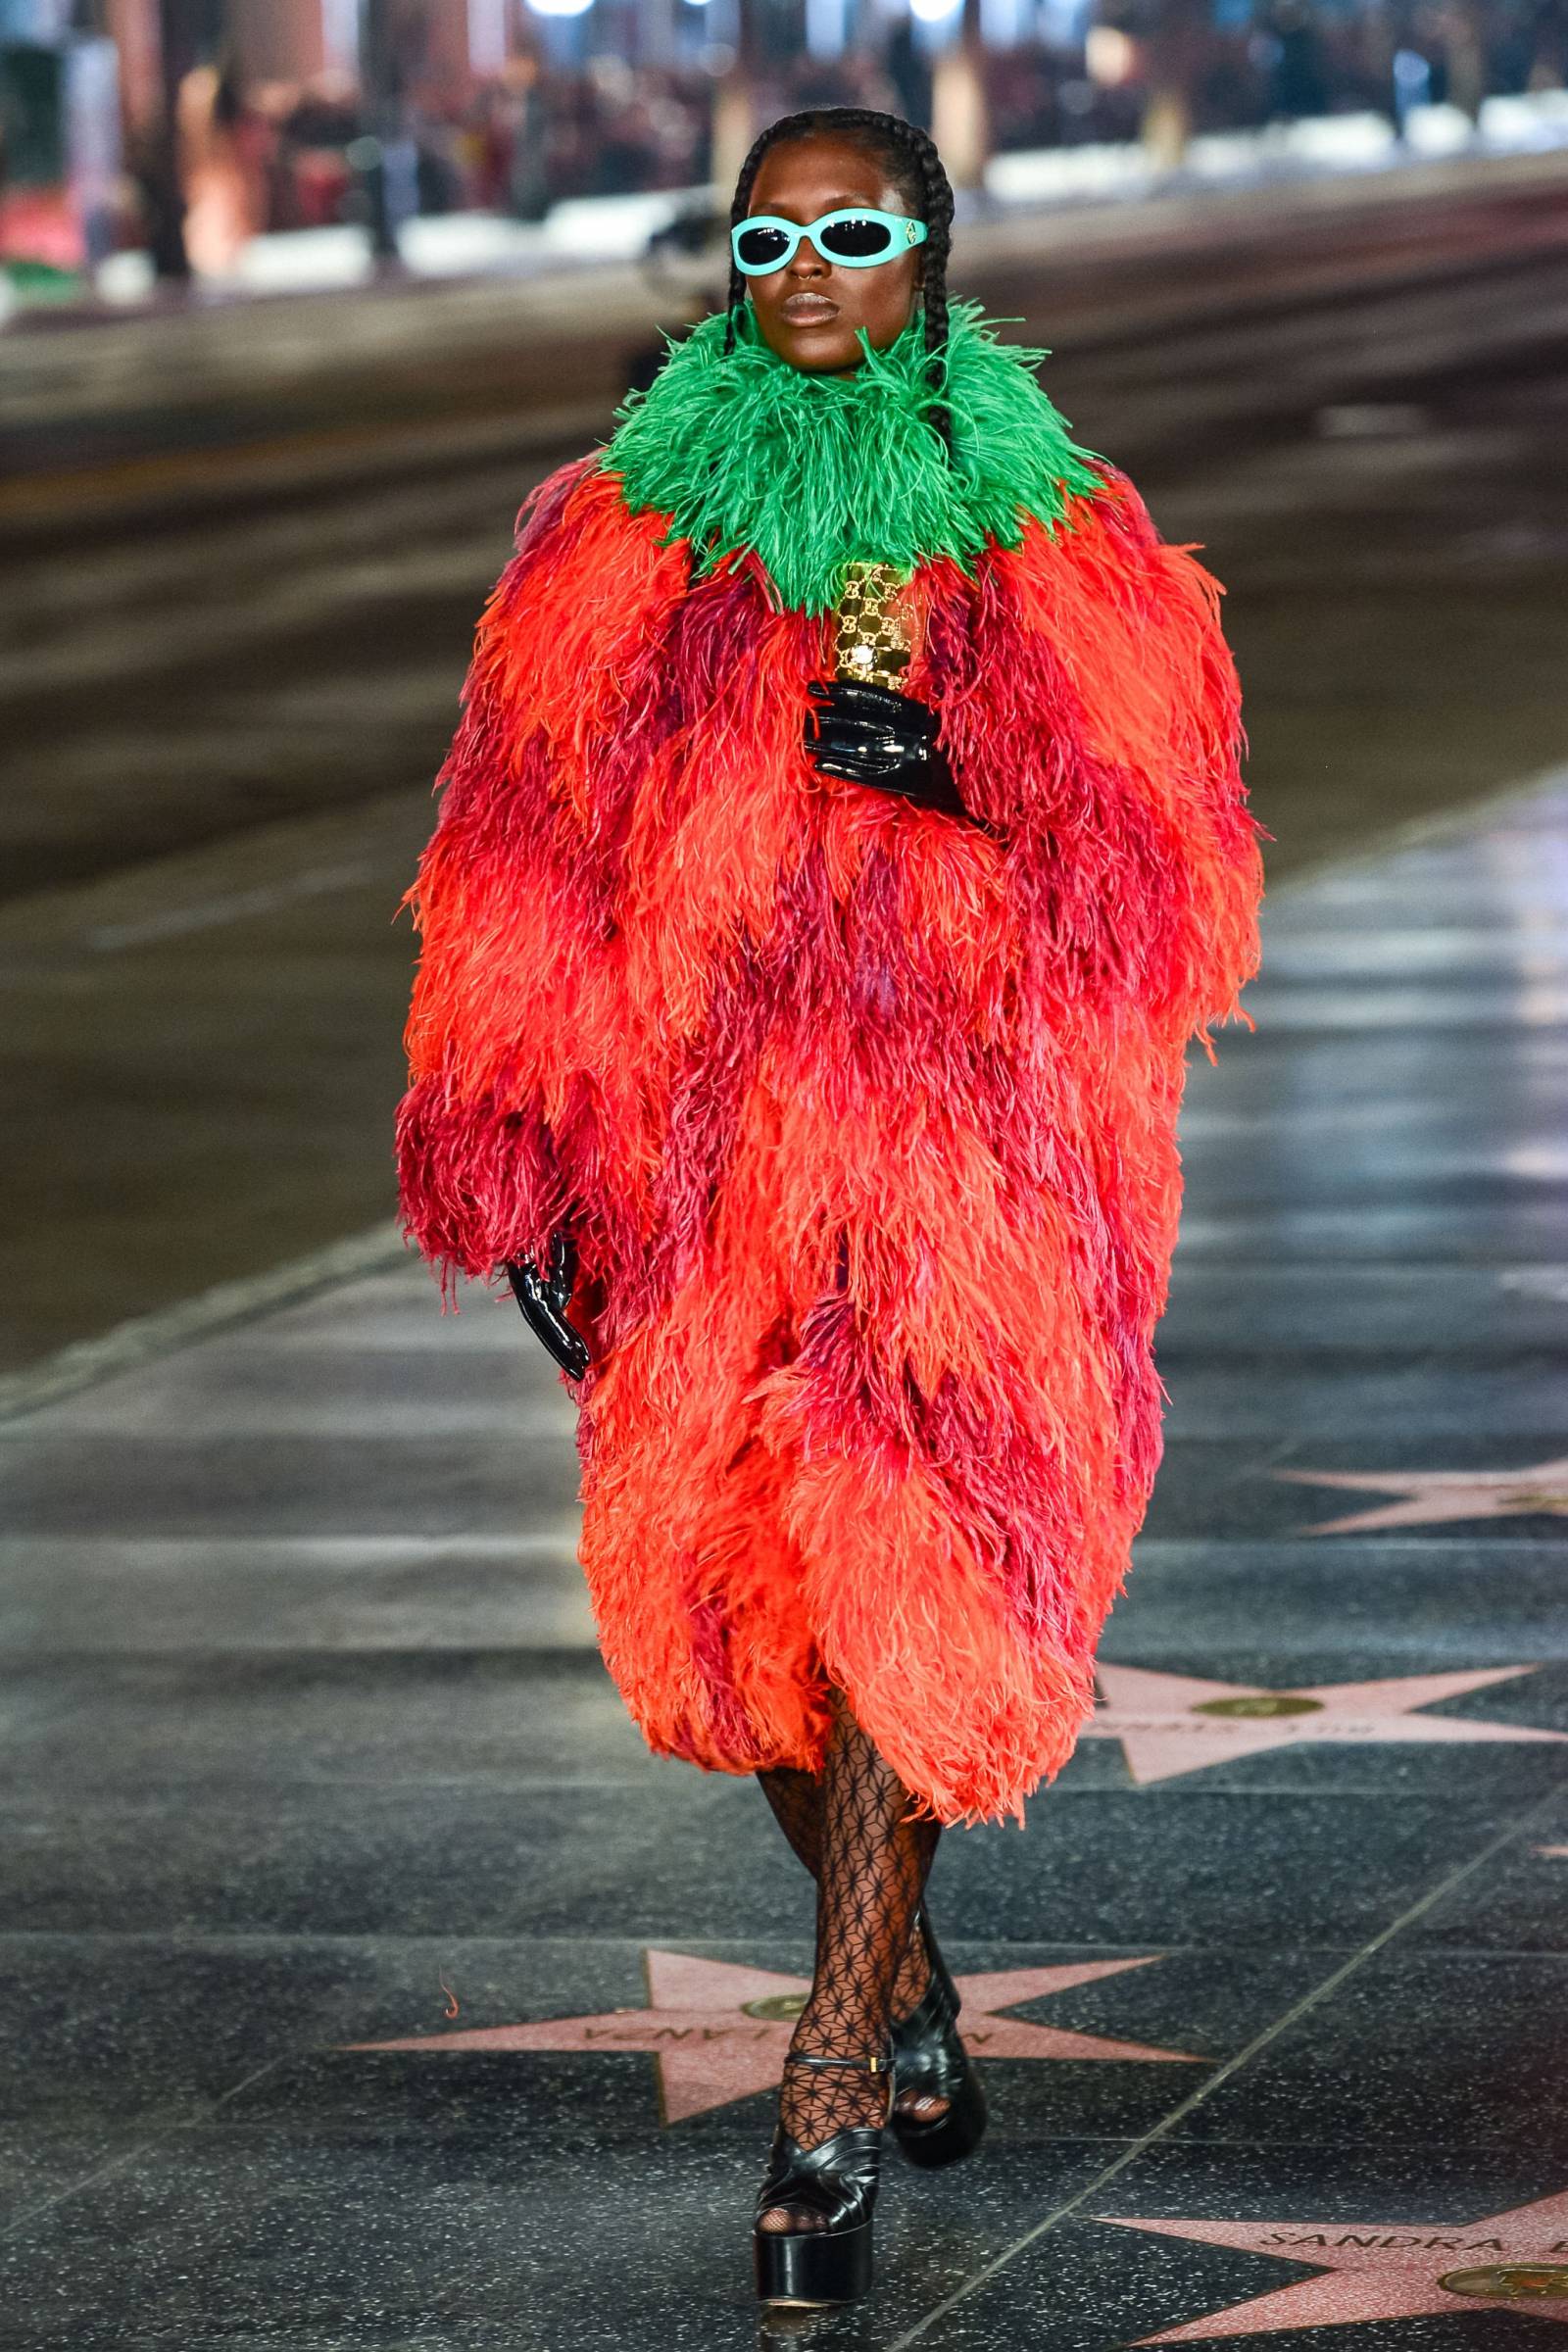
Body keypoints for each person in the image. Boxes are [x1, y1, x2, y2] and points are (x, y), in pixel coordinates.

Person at [395, 106, 1263, 2309]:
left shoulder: (1058, 539)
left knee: (906, 1569)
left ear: (930, 253)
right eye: (762, 233)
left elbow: (1168, 897)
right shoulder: (608, 543)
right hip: (686, 1174)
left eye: (850, 231)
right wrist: (504, 1135)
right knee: (751, 1621)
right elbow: (516, 863)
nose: (800, 266)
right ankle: (902, 1990)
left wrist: (953, 780)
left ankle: (822, 2101)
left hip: (969, 1165)